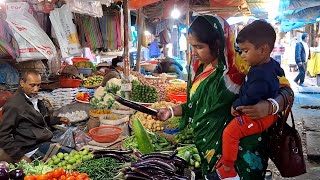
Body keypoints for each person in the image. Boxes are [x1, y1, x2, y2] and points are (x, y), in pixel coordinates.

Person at [157, 15, 293, 179]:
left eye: (199, 47)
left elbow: (286, 90)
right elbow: (194, 105)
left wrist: (271, 106)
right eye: (192, 46)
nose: (193, 53)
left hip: (243, 150)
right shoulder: (199, 70)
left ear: (216, 44)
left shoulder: (242, 67)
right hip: (209, 147)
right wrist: (170, 111)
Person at [216, 20, 285, 180]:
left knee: (230, 133)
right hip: (264, 115)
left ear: (263, 50)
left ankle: (228, 168)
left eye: (245, 51)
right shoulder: (267, 64)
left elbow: (251, 97)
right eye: (240, 51)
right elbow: (278, 69)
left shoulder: (258, 75)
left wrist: (236, 105)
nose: (242, 55)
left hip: (258, 116)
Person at [0, 70, 70, 163]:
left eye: (38, 85)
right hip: (31, 148)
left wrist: (58, 120)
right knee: (70, 156)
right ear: (22, 83)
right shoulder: (14, 105)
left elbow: (40, 119)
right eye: (32, 85)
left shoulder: (33, 98)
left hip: (43, 140)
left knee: (71, 148)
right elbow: (3, 135)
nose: (36, 89)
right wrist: (20, 157)